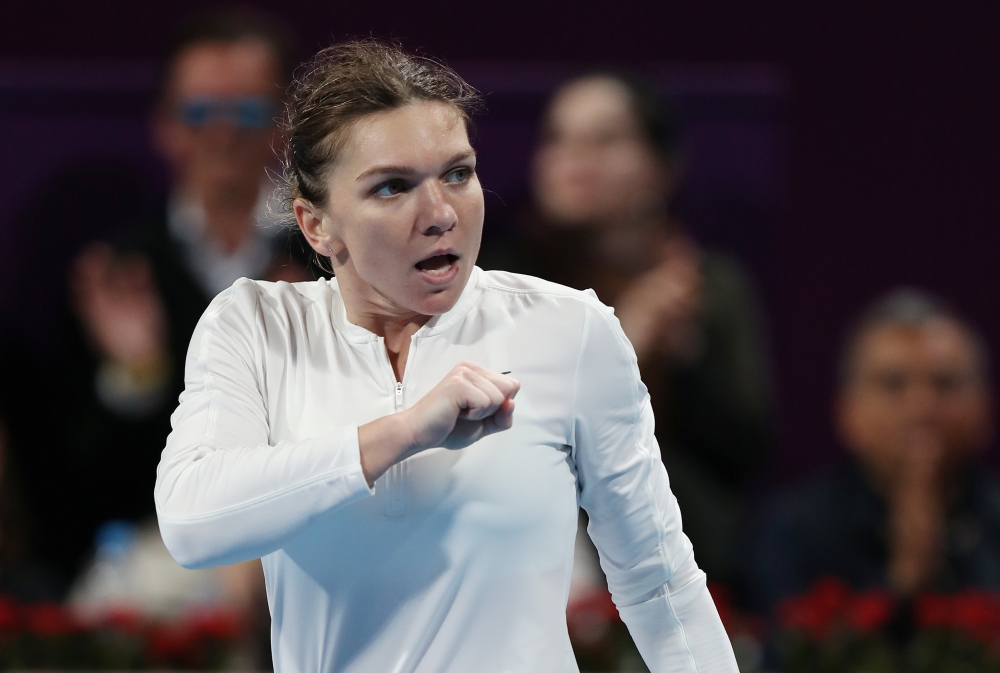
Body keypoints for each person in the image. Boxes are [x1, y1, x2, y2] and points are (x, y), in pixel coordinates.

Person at [154, 40, 738, 672]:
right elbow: (193, 521)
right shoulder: (258, 326)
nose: (440, 214)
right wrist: (403, 434)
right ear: (316, 223)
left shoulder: (571, 330)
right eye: (392, 187)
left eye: (458, 173)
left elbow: (660, 582)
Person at [13, 8, 312, 581]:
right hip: (164, 562)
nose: (223, 133)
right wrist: (137, 375)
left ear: (283, 126)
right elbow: (77, 485)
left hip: (301, 545)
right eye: (200, 111)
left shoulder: (331, 257)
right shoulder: (122, 273)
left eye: (248, 110)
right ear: (165, 126)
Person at [479, 72, 773, 585]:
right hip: (522, 562)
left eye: (606, 138)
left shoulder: (709, 288)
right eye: (558, 137)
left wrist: (678, 360)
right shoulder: (495, 280)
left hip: (679, 562)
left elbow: (744, 452)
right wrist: (622, 349)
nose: (575, 157)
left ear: (663, 168)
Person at [748, 289, 1000, 614]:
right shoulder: (791, 534)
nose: (921, 408)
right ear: (848, 412)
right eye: (894, 384)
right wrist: (902, 582)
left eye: (945, 384)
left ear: (985, 409)